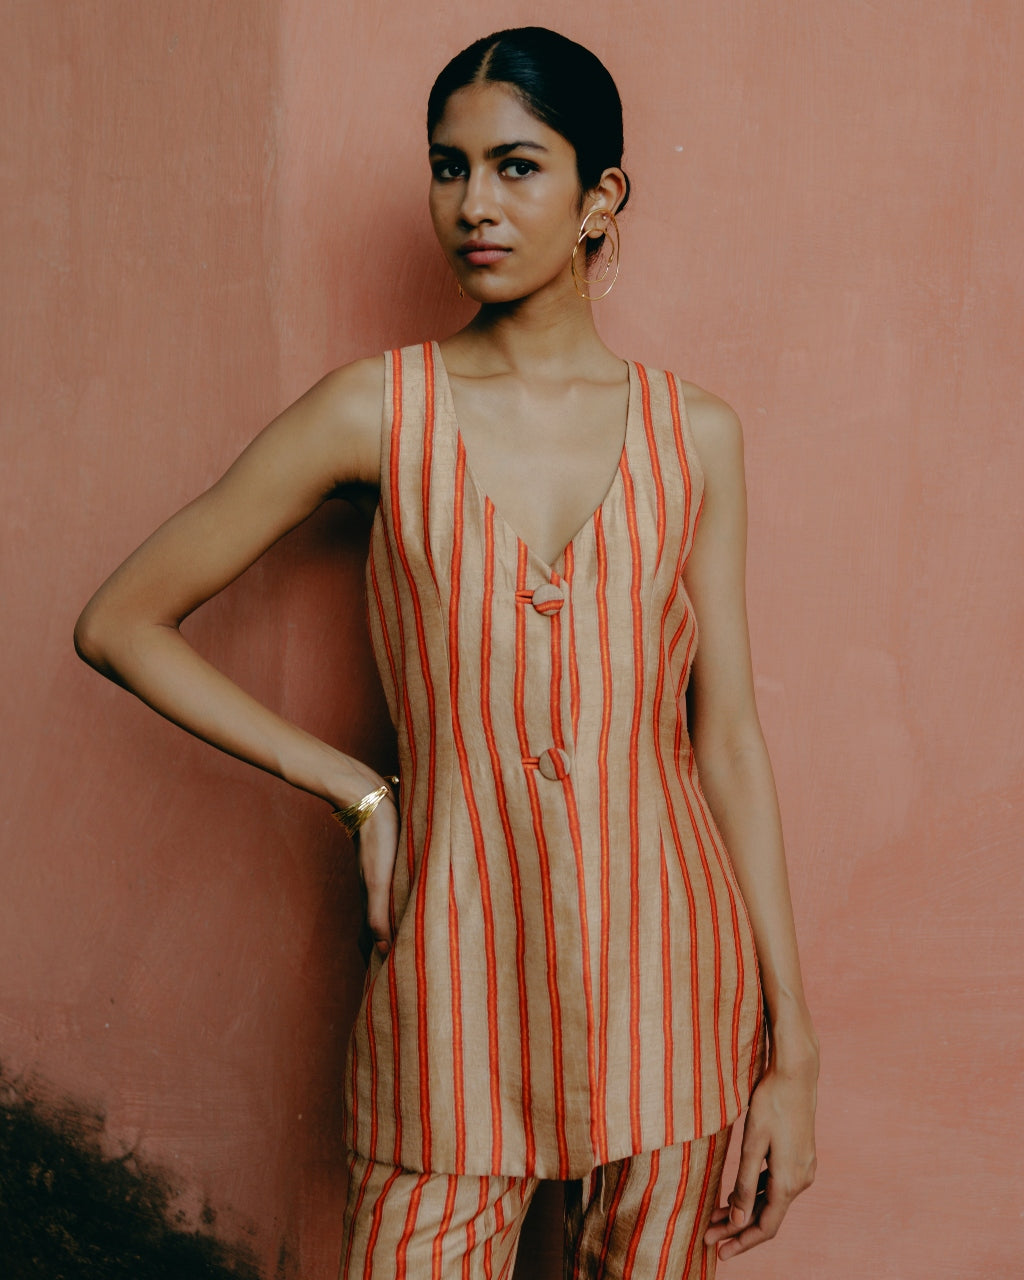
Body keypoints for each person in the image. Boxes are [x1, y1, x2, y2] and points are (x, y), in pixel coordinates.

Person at [75, 25, 818, 1279]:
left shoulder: (695, 435)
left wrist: (791, 1051)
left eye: (516, 167)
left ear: (600, 197)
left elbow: (728, 734)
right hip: (450, 995)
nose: (472, 205)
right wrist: (359, 790)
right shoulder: (375, 409)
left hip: (673, 997)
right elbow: (121, 621)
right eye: (448, 165)